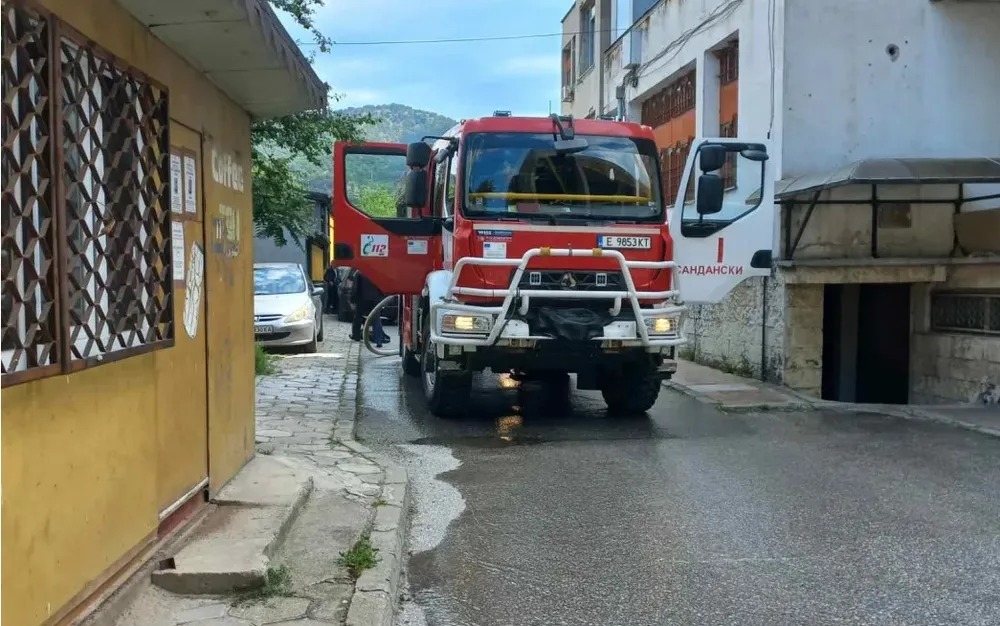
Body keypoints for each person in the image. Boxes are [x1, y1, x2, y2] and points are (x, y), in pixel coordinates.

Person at [350, 271, 392, 347]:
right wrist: (381, 297)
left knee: (358, 317)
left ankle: (356, 336)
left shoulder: (359, 273)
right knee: (376, 320)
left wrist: (353, 299)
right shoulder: (376, 272)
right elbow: (381, 286)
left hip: (362, 299)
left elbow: (355, 288)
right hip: (374, 299)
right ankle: (378, 340)